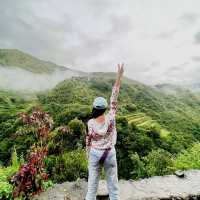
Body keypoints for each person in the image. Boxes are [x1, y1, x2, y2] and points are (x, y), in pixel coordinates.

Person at [85, 63, 124, 200]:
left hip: (95, 154)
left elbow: (88, 141)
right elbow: (114, 97)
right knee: (113, 187)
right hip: (109, 153)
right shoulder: (111, 118)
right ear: (105, 108)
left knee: (91, 188)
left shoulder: (90, 123)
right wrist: (119, 76)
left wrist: (87, 156)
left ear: (94, 108)